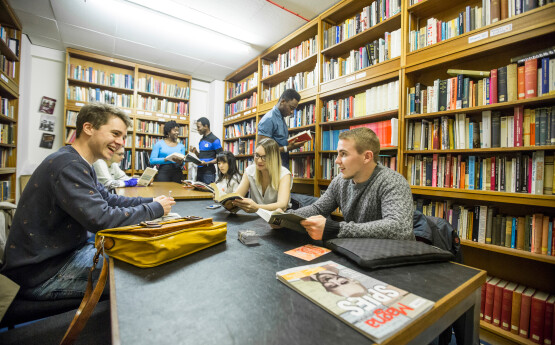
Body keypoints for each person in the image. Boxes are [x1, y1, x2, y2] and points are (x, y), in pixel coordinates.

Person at [0, 103, 175, 300]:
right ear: (88, 128)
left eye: (124, 137)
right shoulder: (69, 166)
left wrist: (151, 200)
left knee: (136, 253)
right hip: (43, 273)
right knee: (144, 268)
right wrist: (154, 209)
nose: (121, 143)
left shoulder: (78, 162)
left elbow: (107, 199)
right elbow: (101, 219)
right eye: (115, 134)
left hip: (58, 255)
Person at [288, 127, 414, 242]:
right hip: (359, 250)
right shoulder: (340, 181)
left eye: (343, 154)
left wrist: (336, 229)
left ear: (367, 157)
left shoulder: (392, 182)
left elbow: (400, 228)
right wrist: (284, 218)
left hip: (395, 257)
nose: (337, 161)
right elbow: (318, 209)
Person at [230, 138, 292, 213]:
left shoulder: (284, 174)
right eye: (257, 155)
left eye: (264, 157)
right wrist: (224, 200)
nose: (259, 160)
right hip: (255, 217)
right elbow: (237, 197)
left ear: (274, 158)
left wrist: (257, 207)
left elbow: (282, 204)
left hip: (276, 218)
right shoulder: (249, 171)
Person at [257, 89, 308, 167]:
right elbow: (262, 149)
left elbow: (279, 142)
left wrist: (292, 144)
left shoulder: (281, 118)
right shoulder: (269, 119)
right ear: (283, 101)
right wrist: (288, 148)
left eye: (293, 109)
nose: (291, 112)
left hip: (282, 165)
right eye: (291, 108)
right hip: (271, 168)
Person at [189, 117, 223, 184]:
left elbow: (221, 158)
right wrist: (195, 152)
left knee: (208, 193)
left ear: (206, 126)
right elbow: (201, 157)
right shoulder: (201, 140)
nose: (198, 129)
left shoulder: (215, 140)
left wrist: (207, 163)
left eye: (199, 127)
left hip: (209, 173)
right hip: (199, 172)